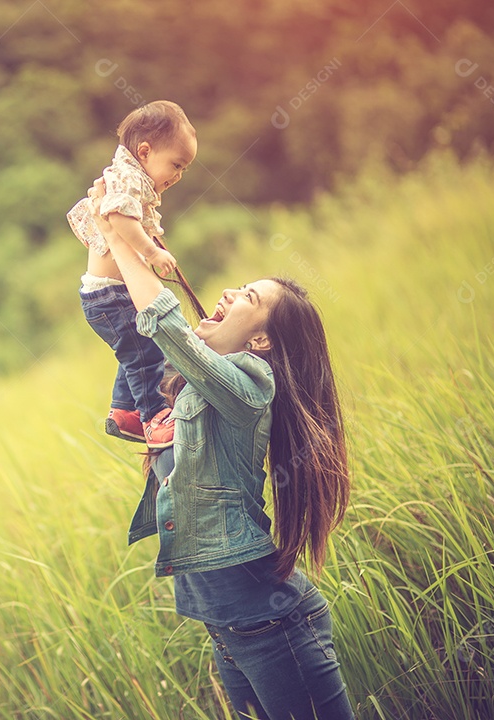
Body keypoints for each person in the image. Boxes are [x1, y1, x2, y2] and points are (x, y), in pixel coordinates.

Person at [89, 179, 356, 719]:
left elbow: (165, 327)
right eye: (239, 286)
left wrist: (123, 236)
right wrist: (111, 222)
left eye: (249, 298)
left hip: (274, 623)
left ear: (261, 341)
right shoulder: (189, 388)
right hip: (231, 626)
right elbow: (119, 316)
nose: (231, 293)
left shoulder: (252, 383)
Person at [67, 100, 197, 449]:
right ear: (144, 151)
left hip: (111, 294)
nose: (178, 175)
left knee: (138, 350)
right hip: (110, 296)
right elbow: (120, 219)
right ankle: (154, 417)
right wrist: (152, 251)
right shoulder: (126, 177)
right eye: (176, 164)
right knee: (146, 353)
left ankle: (124, 412)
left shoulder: (136, 181)